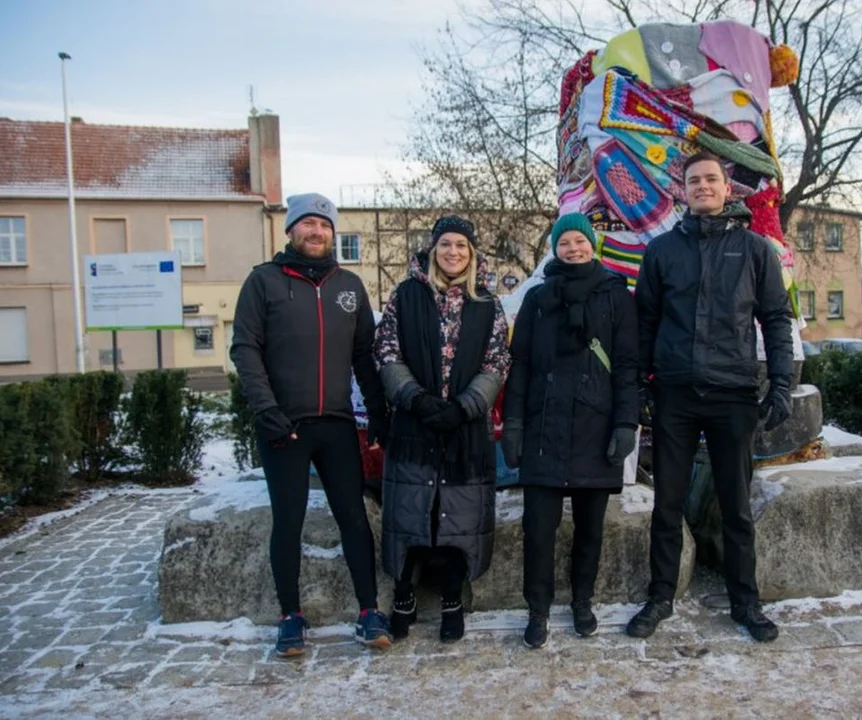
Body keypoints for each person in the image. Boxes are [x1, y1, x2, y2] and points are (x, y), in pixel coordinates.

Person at [627, 151, 794, 642]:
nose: (702, 186)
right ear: (683, 190)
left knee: (736, 506)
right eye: (694, 180)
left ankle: (746, 602)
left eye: (711, 180)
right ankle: (660, 597)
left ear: (727, 189)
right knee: (667, 506)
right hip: (675, 395)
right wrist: (638, 384)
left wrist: (780, 383)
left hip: (733, 395)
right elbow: (644, 323)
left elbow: (776, 320)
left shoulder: (755, 250)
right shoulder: (661, 252)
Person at [230, 193, 391, 657]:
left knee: (354, 519)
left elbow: (364, 355)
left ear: (333, 233)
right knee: (289, 521)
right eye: (307, 224)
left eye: (324, 224)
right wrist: (267, 411)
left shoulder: (350, 286)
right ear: (291, 231)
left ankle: (367, 613)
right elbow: (245, 350)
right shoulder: (263, 281)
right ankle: (290, 617)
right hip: (283, 426)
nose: (316, 232)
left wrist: (377, 412)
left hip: (337, 425)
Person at [502, 213, 638, 649]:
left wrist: (625, 423)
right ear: (554, 249)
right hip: (544, 427)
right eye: (565, 242)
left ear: (592, 245)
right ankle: (537, 610)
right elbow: (519, 365)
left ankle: (583, 602)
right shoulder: (538, 299)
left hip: (594, 429)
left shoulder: (616, 296)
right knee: (538, 530)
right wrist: (515, 424)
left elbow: (628, 366)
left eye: (581, 240)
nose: (574, 248)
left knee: (590, 529)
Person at [374, 215, 509, 643]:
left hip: (465, 429)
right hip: (415, 423)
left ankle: (452, 596)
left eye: (462, 246)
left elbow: (496, 361)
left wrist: (466, 406)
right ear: (433, 250)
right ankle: (404, 594)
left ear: (472, 254)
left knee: (457, 516)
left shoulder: (487, 302)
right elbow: (387, 351)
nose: (454, 252)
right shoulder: (406, 294)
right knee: (413, 511)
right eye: (446, 245)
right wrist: (415, 398)